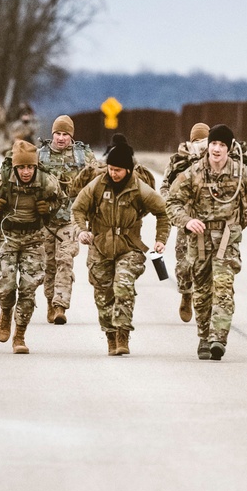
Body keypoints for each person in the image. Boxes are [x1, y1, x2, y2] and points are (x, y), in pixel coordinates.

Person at [165, 123, 247, 361]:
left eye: (221, 145)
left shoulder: (243, 173)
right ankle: (204, 337)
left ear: (229, 148)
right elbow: (172, 202)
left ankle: (218, 339)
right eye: (213, 143)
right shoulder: (193, 174)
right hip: (199, 240)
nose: (216, 149)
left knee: (223, 289)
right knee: (202, 293)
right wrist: (186, 221)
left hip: (228, 239)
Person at [71, 138, 170, 356]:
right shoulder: (97, 185)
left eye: (118, 170)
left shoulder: (140, 189)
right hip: (100, 246)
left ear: (128, 169)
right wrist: (82, 230)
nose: (113, 173)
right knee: (103, 295)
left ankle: (123, 333)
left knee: (122, 286)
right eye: (111, 168)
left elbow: (163, 212)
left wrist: (161, 238)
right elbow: (78, 208)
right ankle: (110, 336)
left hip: (130, 247)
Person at [0, 140, 61, 353]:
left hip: (34, 239)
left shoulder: (47, 181)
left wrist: (48, 207)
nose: (26, 172)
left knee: (28, 288)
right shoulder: (0, 178)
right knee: (6, 287)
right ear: (15, 166)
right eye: (22, 167)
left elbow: (61, 199)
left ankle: (20, 336)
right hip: (8, 237)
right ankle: (6, 313)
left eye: (30, 167)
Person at [38, 114, 99, 324]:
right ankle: (49, 300)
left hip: (72, 218)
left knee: (65, 259)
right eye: (58, 134)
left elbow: (97, 181)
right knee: (49, 263)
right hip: (46, 219)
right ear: (52, 134)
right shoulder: (41, 156)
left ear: (71, 136)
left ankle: (60, 305)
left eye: (65, 134)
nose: (61, 138)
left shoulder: (84, 156)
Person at [161, 122, 210, 323]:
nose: (200, 145)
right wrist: (173, 206)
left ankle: (207, 302)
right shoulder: (179, 160)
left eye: (204, 141)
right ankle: (186, 293)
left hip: (210, 221)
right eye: (197, 141)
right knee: (183, 264)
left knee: (208, 264)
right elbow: (165, 187)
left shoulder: (217, 160)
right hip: (186, 220)